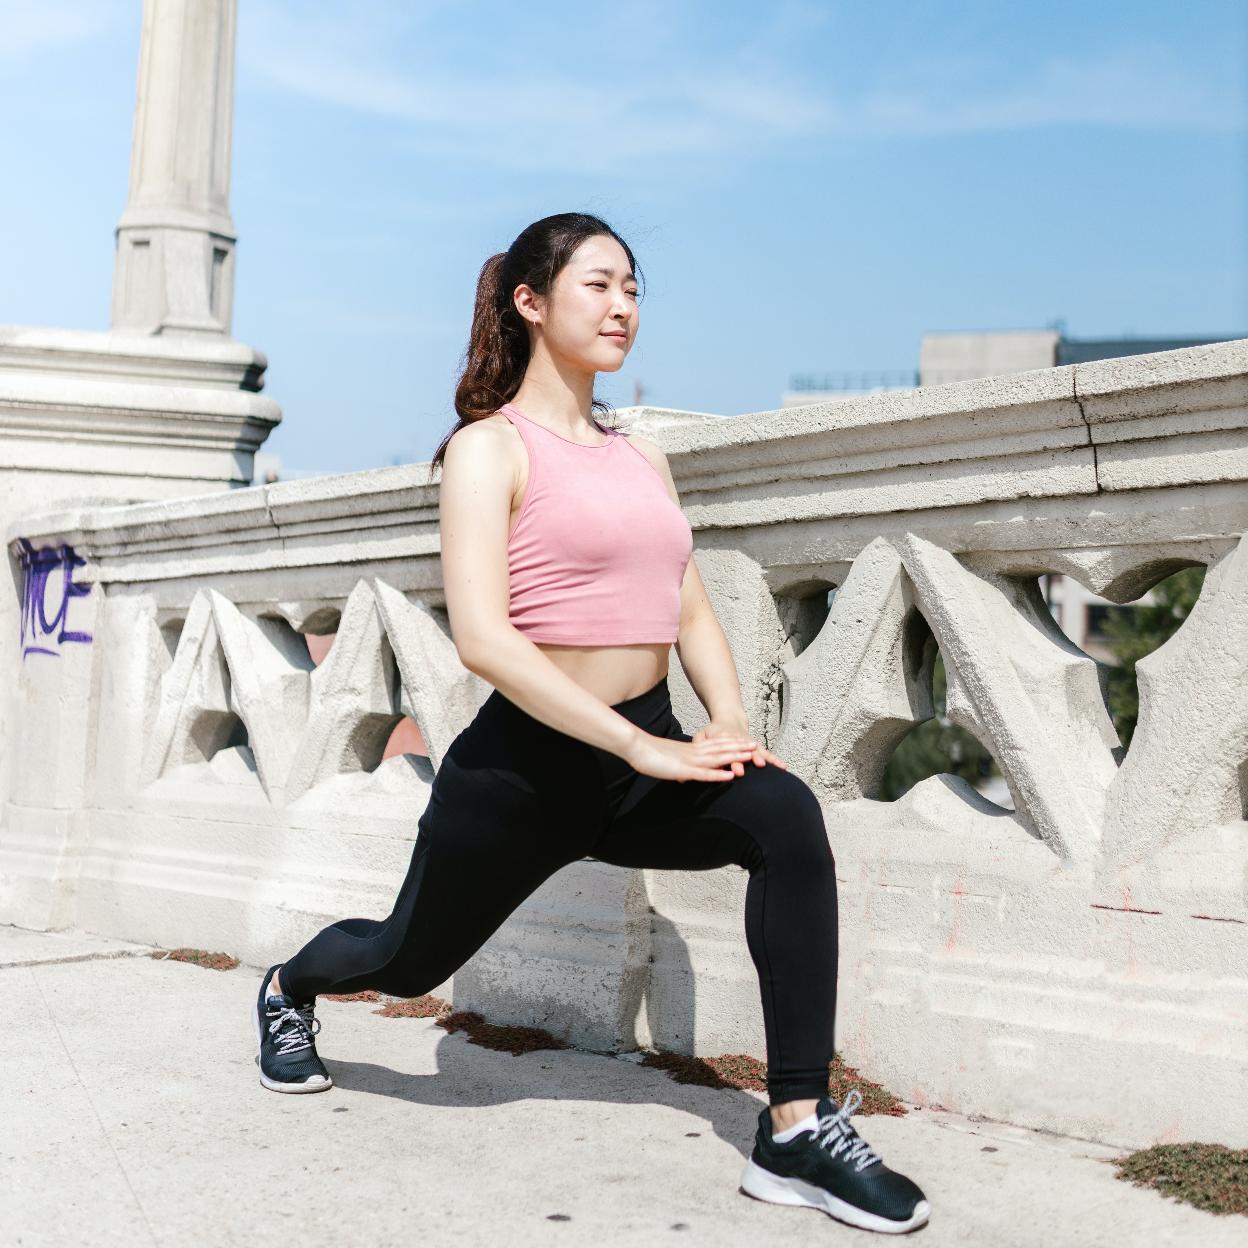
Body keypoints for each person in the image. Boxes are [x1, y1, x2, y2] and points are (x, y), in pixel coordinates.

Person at [252, 212, 929, 1234]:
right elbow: (484, 639)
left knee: (786, 820)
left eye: (633, 289)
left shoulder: (638, 456)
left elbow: (687, 604)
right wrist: (632, 743)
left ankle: (795, 1125)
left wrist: (729, 718)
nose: (623, 308)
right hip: (525, 772)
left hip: (646, 751)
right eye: (598, 286)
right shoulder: (488, 453)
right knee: (405, 957)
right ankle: (290, 985)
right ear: (531, 301)